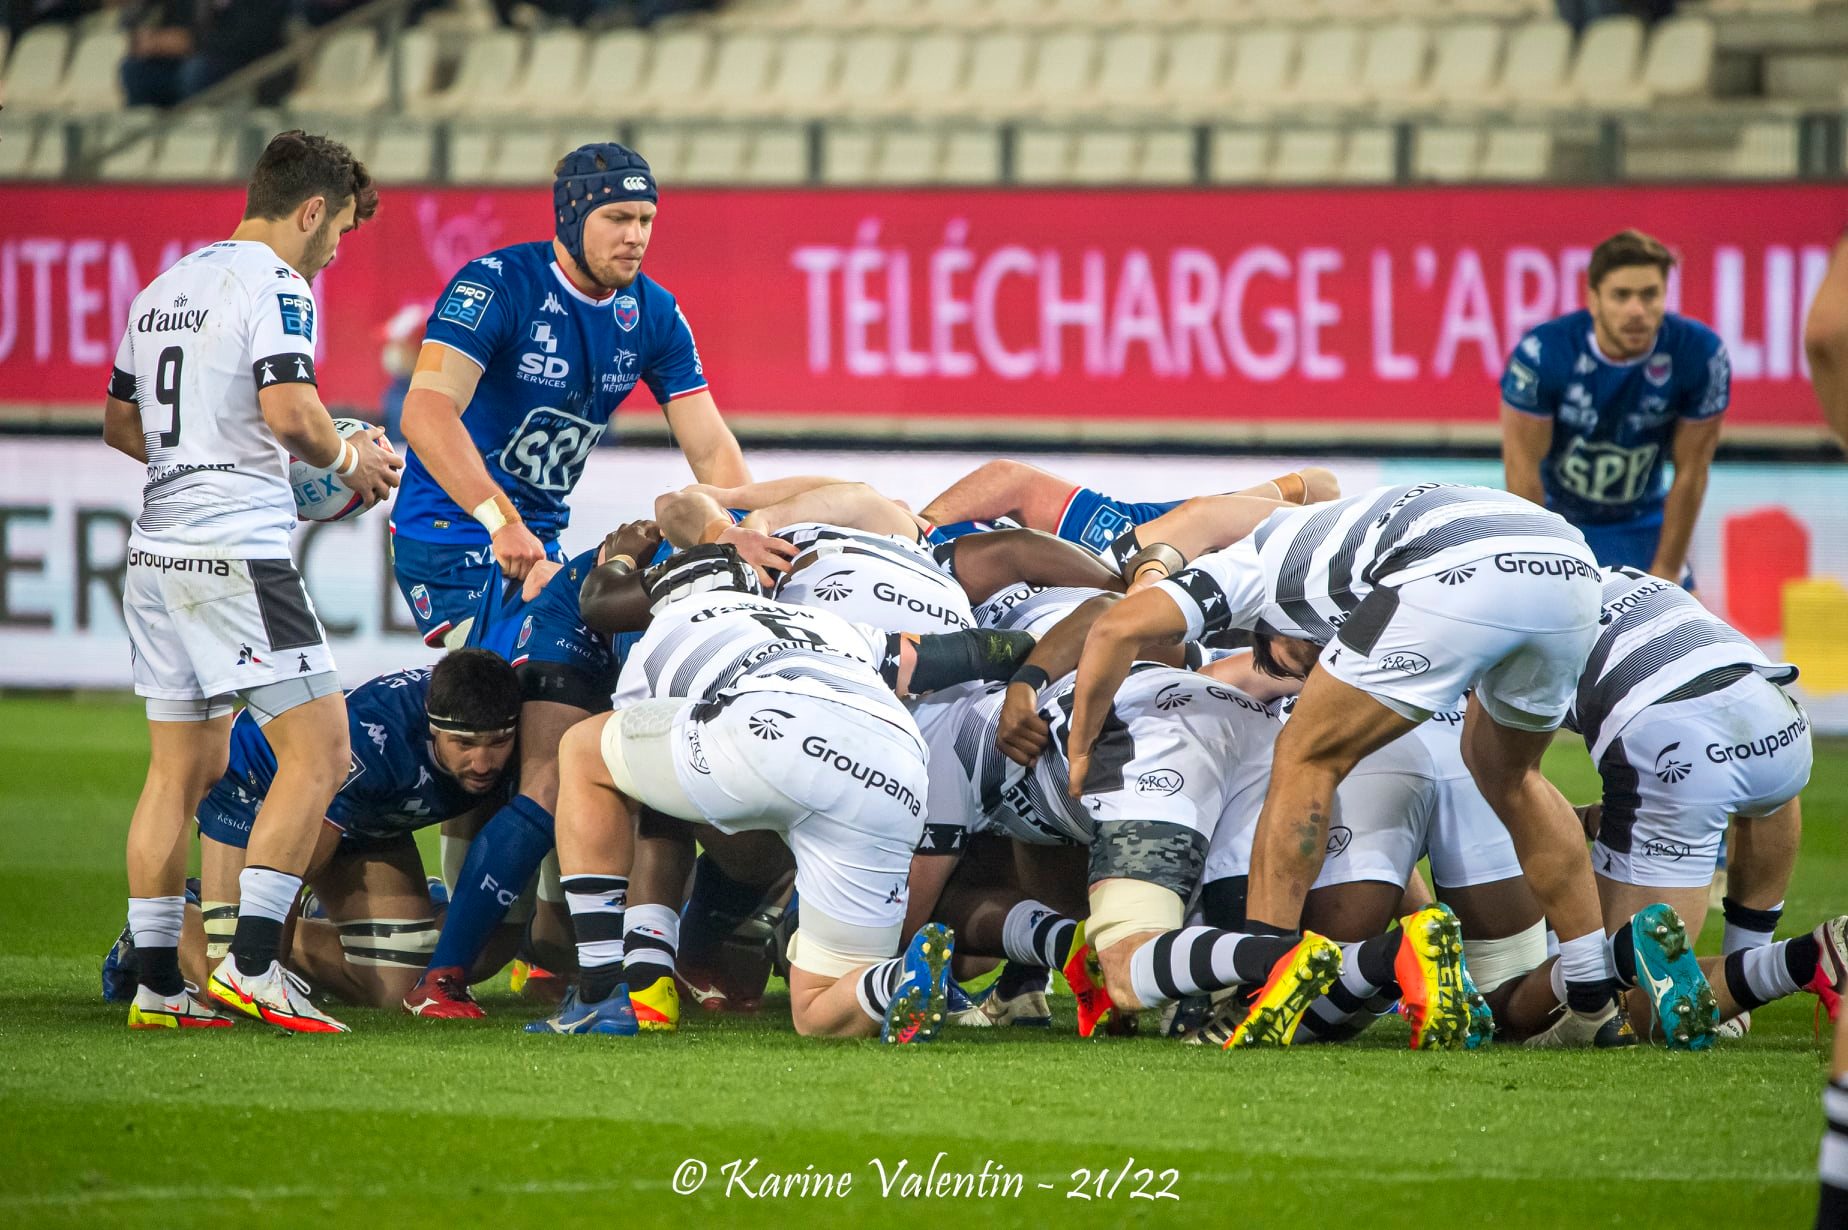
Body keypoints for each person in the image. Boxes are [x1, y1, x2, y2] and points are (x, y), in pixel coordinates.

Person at [1064, 483, 1625, 1046]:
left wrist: (1083, 747)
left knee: (1305, 755)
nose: (1309, 662)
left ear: (1262, 622)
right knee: (1513, 778)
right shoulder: (1341, 555)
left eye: (1292, 653)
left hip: (1455, 563)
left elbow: (1117, 626)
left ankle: (1263, 989)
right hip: (1568, 565)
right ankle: (1592, 998)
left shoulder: (1252, 563)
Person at [100, 130, 398, 1032]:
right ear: (311, 210)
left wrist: (213, 461)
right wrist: (347, 463)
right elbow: (291, 412)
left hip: (155, 555)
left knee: (179, 772)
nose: (336, 248)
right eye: (339, 229)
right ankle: (255, 964)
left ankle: (158, 988)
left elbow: (120, 425)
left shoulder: (165, 286)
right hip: (237, 557)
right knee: (323, 752)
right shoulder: (279, 285)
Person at [389, 141, 748, 650]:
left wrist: (741, 534)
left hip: (538, 539)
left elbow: (712, 449)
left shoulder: (656, 314)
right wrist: (502, 522)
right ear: (573, 219)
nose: (636, 237)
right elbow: (425, 413)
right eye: (618, 218)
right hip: (454, 530)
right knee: (508, 692)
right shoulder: (497, 287)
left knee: (610, 663)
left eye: (646, 219)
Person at [1498, 229, 1729, 586]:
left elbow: (1692, 471)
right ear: (1594, 300)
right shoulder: (1542, 353)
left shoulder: (1701, 354)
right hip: (1559, 521)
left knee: (1688, 629)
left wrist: (1666, 573)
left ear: (1665, 295)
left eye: (1649, 295)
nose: (1636, 310)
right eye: (1621, 296)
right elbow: (1521, 465)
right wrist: (1539, 563)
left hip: (1645, 524)